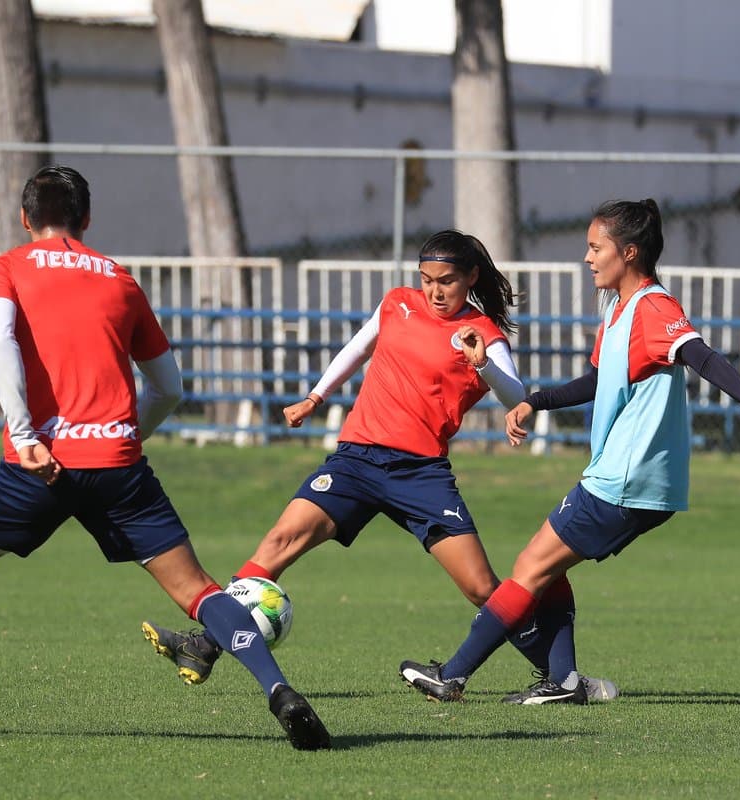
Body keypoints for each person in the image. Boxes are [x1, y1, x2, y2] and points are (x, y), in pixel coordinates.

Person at [0, 166, 331, 750]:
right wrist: (123, 435)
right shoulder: (119, 279)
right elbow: (170, 386)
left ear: (25, 218)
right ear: (86, 221)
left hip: (39, 460)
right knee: (197, 589)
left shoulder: (5, 269)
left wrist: (25, 433)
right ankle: (279, 691)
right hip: (119, 461)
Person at [142, 229, 616, 703]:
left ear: (470, 277)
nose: (434, 290)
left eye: (446, 281)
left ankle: (560, 677)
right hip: (356, 460)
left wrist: (482, 365)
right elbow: (359, 347)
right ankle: (205, 645)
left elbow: (518, 398)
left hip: (420, 474)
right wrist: (315, 396)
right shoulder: (397, 304)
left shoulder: (483, 334)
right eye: (427, 279)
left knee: (480, 587)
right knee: (277, 544)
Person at [399, 199, 740, 703]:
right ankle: (564, 682)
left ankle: (453, 676)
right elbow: (596, 381)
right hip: (621, 475)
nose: (587, 258)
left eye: (596, 248)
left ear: (628, 253)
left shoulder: (655, 308)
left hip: (626, 478)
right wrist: (534, 403)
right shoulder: (617, 309)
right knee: (547, 570)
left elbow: (701, 355)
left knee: (529, 569)